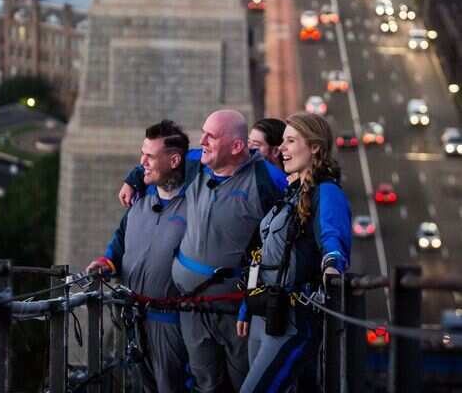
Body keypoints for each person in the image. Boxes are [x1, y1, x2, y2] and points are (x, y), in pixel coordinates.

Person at [120, 108, 288, 393]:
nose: (203, 141)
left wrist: (254, 299)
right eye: (204, 133)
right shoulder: (198, 163)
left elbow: (279, 246)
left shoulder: (267, 181)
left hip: (237, 313)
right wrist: (134, 177)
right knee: (204, 384)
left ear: (237, 146)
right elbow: (162, 161)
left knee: (244, 383)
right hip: (191, 309)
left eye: (211, 136)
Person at [237, 112, 352, 393]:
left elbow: (331, 236)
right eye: (282, 142)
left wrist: (333, 264)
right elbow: (262, 253)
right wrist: (247, 306)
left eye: (290, 141)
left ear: (314, 147)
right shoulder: (292, 192)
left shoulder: (325, 192)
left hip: (291, 321)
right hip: (264, 313)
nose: (282, 149)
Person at [87, 120, 190, 393]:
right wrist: (106, 262)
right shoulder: (141, 199)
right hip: (132, 319)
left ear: (175, 160)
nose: (141, 162)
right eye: (141, 155)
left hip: (171, 323)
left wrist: (134, 175)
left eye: (150, 157)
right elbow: (120, 242)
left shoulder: (197, 202)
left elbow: (208, 156)